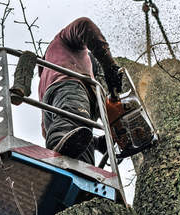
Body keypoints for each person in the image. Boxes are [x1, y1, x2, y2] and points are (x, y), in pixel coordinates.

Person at [11, 18, 125, 163]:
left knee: (78, 139)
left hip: (62, 108)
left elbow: (51, 131)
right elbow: (84, 25)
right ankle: (63, 157)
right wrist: (109, 66)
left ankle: (83, 172)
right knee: (73, 121)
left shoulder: (44, 81)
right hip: (70, 86)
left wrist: (97, 143)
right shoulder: (63, 41)